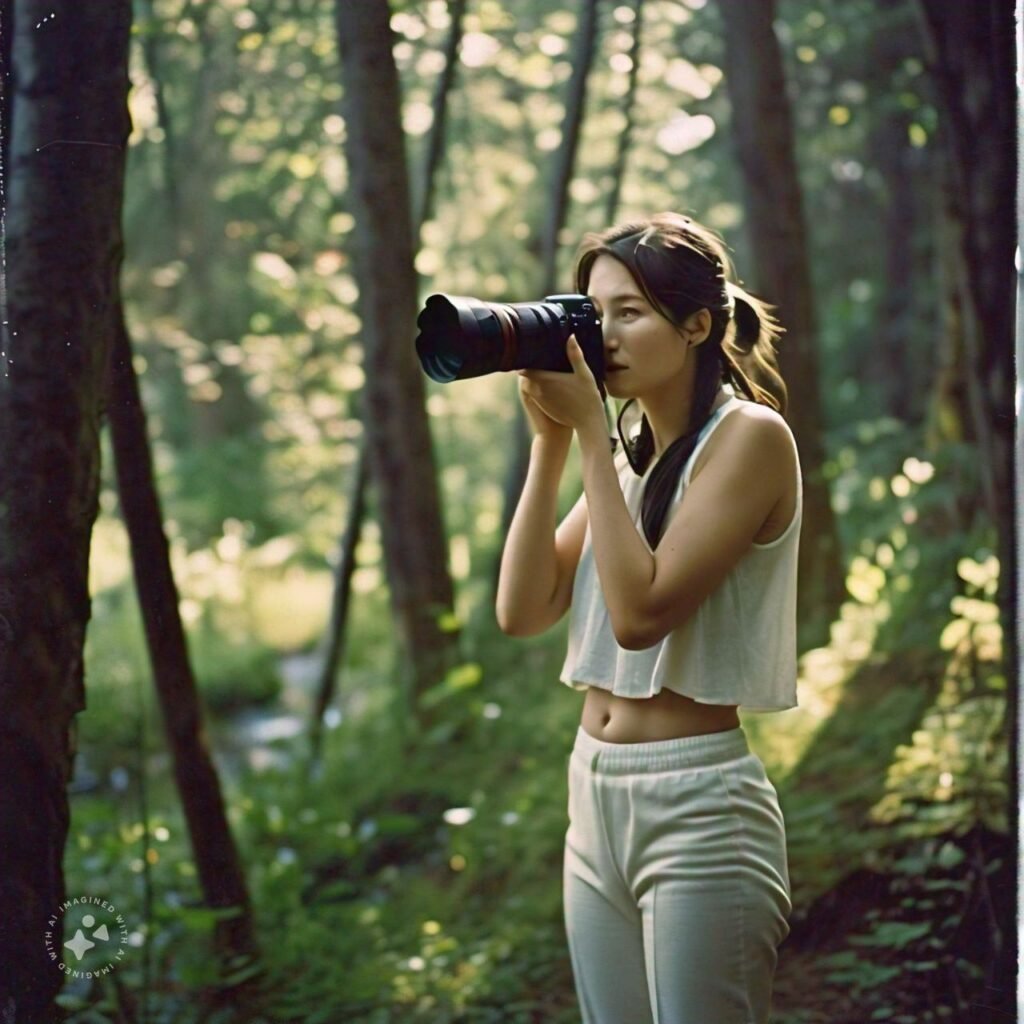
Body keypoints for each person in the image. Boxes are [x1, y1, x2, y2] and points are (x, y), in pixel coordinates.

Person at [495, 212, 800, 1024]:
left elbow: (641, 617)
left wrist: (591, 432)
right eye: (595, 316)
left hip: (699, 806)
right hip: (592, 794)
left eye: (629, 312)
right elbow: (523, 609)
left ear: (696, 324)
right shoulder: (633, 459)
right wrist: (550, 443)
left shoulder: (748, 438)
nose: (606, 336)